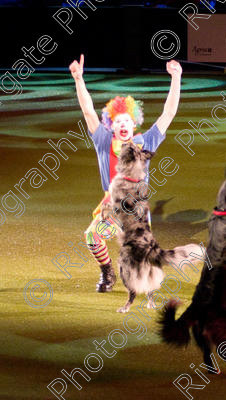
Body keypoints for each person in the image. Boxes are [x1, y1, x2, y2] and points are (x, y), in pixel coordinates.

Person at [69, 54, 182, 292]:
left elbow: (168, 113)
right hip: (112, 206)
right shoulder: (102, 140)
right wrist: (79, 79)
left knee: (141, 268)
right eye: (118, 121)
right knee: (93, 237)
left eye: (127, 121)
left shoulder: (145, 142)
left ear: (134, 124)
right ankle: (107, 273)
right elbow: (88, 111)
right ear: (111, 124)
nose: (122, 125)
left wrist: (176, 77)